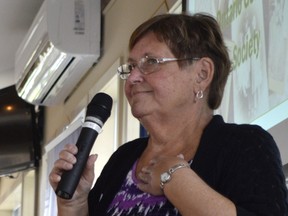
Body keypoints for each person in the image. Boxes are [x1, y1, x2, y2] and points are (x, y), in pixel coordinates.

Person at [49, 13, 288, 215]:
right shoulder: (123, 158)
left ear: (202, 74)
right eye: (131, 67)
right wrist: (75, 204)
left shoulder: (245, 145)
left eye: (151, 61)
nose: (133, 78)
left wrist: (172, 176)